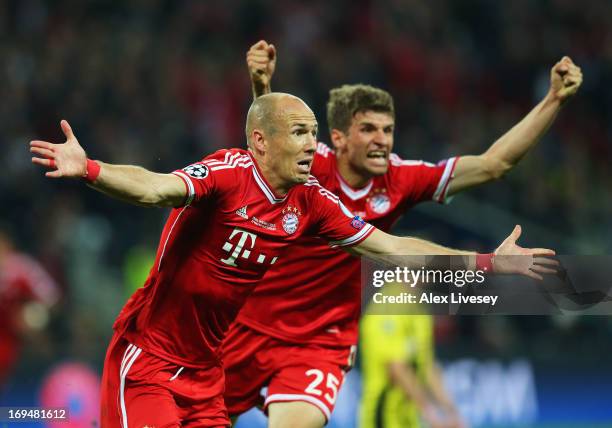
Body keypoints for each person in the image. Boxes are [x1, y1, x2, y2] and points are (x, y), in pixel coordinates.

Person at [30, 93, 552, 428]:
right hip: (149, 362)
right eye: (299, 133)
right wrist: (91, 168)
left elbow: (392, 247)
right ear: (261, 142)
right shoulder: (227, 174)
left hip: (207, 374)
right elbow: (153, 188)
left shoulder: (312, 203)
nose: (311, 144)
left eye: (312, 133)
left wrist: (486, 264)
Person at [221, 41, 581, 428]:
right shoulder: (312, 167)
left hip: (320, 341)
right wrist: (262, 87)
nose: (382, 140)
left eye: (388, 130)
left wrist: (554, 100)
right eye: (369, 129)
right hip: (247, 325)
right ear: (339, 138)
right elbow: (272, 149)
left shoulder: (401, 179)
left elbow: (495, 164)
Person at [0, 226, 60, 387]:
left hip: (18, 344)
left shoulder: (21, 268)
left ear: (7, 245)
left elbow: (51, 298)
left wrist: (32, 316)